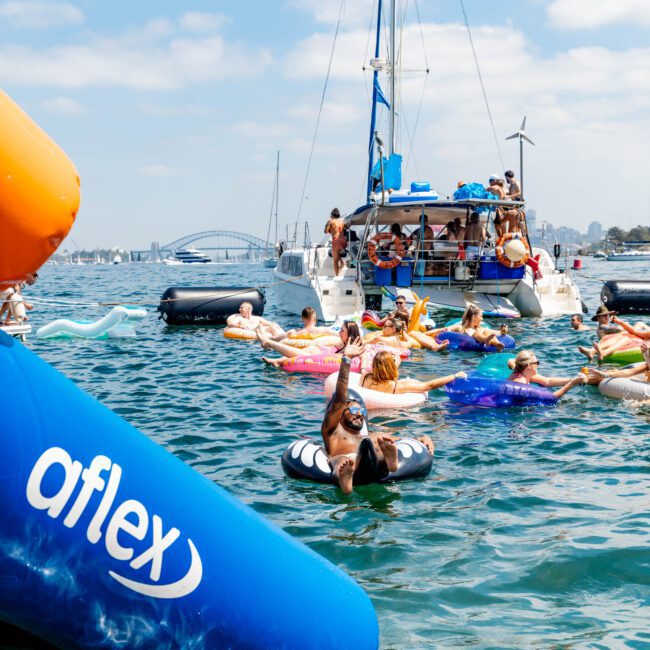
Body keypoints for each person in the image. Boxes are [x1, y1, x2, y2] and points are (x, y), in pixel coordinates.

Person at [321, 346, 434, 495]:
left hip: (369, 462)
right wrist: (346, 360)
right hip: (346, 462)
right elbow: (340, 398)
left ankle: (390, 463)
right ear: (340, 415)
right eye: (354, 410)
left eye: (362, 411)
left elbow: (397, 440)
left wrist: (420, 439)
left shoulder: (367, 436)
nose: (360, 414)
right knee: (338, 460)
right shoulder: (332, 431)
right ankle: (345, 478)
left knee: (375, 439)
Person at [259, 320, 371, 368]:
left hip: (325, 361)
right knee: (312, 349)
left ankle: (269, 342)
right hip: (326, 356)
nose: (339, 332)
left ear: (349, 333)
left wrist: (363, 370)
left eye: (342, 331)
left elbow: (364, 356)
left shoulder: (355, 346)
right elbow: (330, 348)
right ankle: (279, 360)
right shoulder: (342, 344)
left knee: (304, 354)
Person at [360, 350, 466, 394]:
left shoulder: (365, 377)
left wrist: (364, 360)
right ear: (391, 366)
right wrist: (455, 375)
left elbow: (377, 373)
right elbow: (429, 385)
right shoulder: (397, 387)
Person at [507, 350, 586, 398]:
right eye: (537, 363)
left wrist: (574, 379)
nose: (538, 365)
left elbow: (548, 381)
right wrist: (572, 384)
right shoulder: (521, 383)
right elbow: (552, 398)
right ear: (529, 366)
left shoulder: (522, 373)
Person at [364, 317, 449, 352]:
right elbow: (409, 342)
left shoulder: (381, 339)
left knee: (413, 333)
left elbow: (364, 343)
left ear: (393, 329)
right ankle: (435, 345)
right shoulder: (402, 342)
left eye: (385, 326)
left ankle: (435, 346)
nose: (383, 327)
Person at [324, 207, 346, 276]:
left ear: (332, 215)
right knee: (337, 254)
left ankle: (337, 275)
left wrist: (327, 225)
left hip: (336, 241)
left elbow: (325, 231)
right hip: (344, 241)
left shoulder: (331, 221)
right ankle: (342, 262)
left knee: (335, 261)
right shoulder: (342, 222)